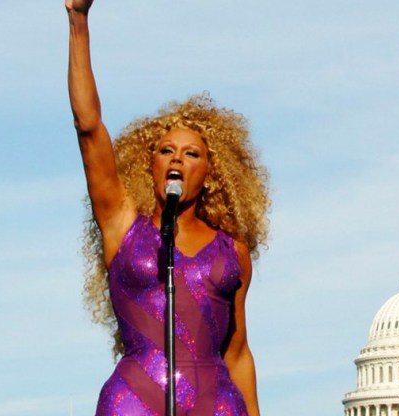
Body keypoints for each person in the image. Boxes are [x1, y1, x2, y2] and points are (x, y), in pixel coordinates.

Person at [66, 0, 269, 415]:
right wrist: (78, 21)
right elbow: (88, 128)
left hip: (217, 405)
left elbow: (238, 352)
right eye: (166, 150)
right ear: (151, 164)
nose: (177, 159)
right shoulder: (122, 226)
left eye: (191, 153)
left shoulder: (233, 252)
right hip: (134, 401)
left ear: (211, 173)